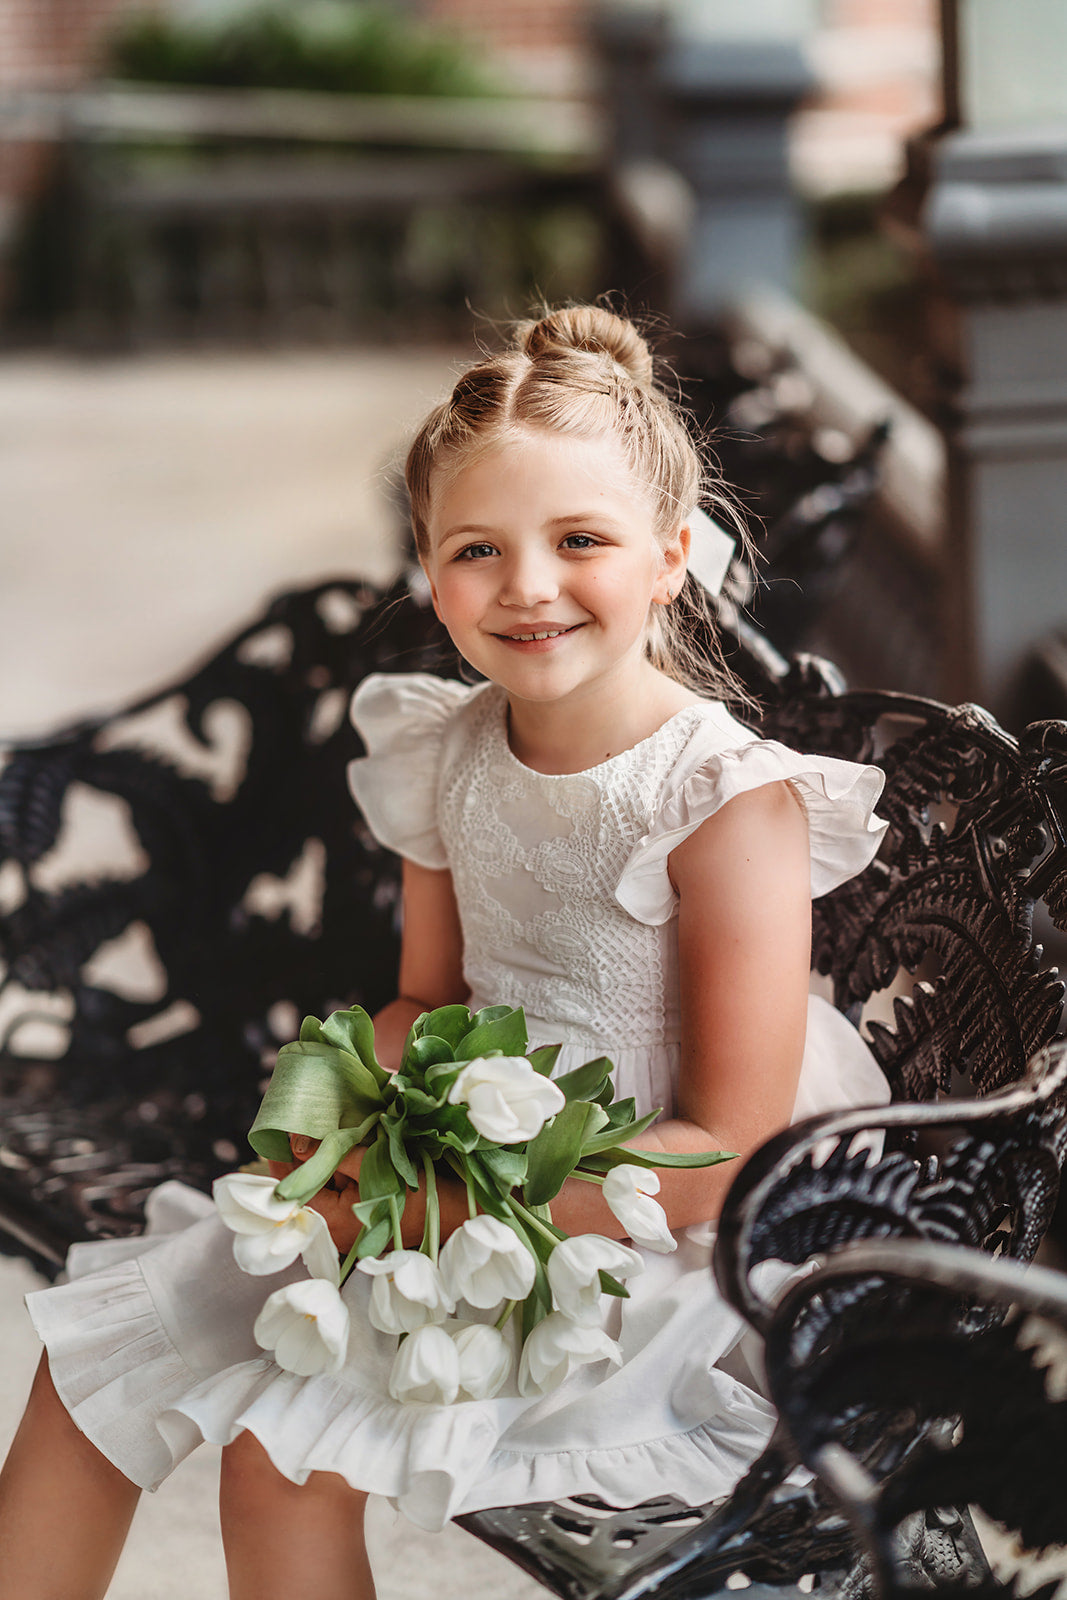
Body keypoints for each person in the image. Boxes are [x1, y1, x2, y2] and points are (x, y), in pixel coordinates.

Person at [0, 305, 889, 1600]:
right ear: (429, 567)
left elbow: (729, 1156)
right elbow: (428, 1001)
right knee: (93, 1366)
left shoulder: (720, 801)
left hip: (648, 1226)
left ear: (672, 558)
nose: (527, 585)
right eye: (479, 550)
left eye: (579, 540)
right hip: (454, 1164)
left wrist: (454, 1204)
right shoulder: (449, 751)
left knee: (280, 1457)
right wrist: (343, 1127)